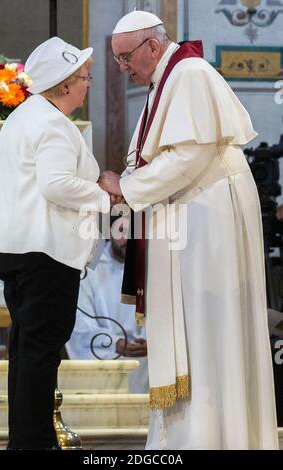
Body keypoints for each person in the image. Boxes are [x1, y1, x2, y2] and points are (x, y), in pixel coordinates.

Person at [98, 10, 279, 449]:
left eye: (125, 58)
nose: (123, 69)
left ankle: (215, 438)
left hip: (207, 221)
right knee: (192, 331)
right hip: (188, 217)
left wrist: (127, 186)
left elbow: (188, 158)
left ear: (152, 47)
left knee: (209, 330)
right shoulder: (167, 80)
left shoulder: (191, 74)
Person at [0, 37, 111, 450]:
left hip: (19, 248)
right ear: (64, 84)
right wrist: (105, 195)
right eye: (84, 78)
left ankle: (25, 438)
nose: (88, 85)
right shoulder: (53, 123)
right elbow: (55, 185)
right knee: (41, 350)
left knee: (26, 348)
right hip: (46, 251)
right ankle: (34, 443)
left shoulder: (26, 115)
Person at [66, 222, 149, 394]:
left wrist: (150, 341)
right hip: (105, 352)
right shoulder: (89, 271)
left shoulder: (151, 267)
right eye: (121, 230)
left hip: (146, 356)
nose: (126, 240)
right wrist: (116, 342)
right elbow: (79, 324)